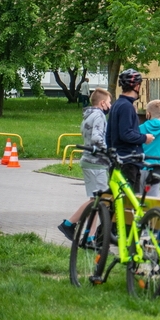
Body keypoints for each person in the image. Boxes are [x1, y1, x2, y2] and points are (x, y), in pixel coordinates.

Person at [57, 87, 112, 241]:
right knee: (99, 200)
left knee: (95, 200)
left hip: (88, 160)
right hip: (97, 162)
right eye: (109, 102)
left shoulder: (88, 115)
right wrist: (108, 150)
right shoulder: (100, 116)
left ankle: (90, 236)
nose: (110, 105)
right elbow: (96, 138)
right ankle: (69, 223)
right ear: (102, 103)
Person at [106, 68, 153, 193]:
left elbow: (108, 135)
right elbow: (126, 134)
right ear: (137, 86)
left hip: (118, 159)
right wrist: (145, 138)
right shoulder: (127, 107)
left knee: (118, 202)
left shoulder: (117, 104)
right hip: (128, 161)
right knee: (128, 203)